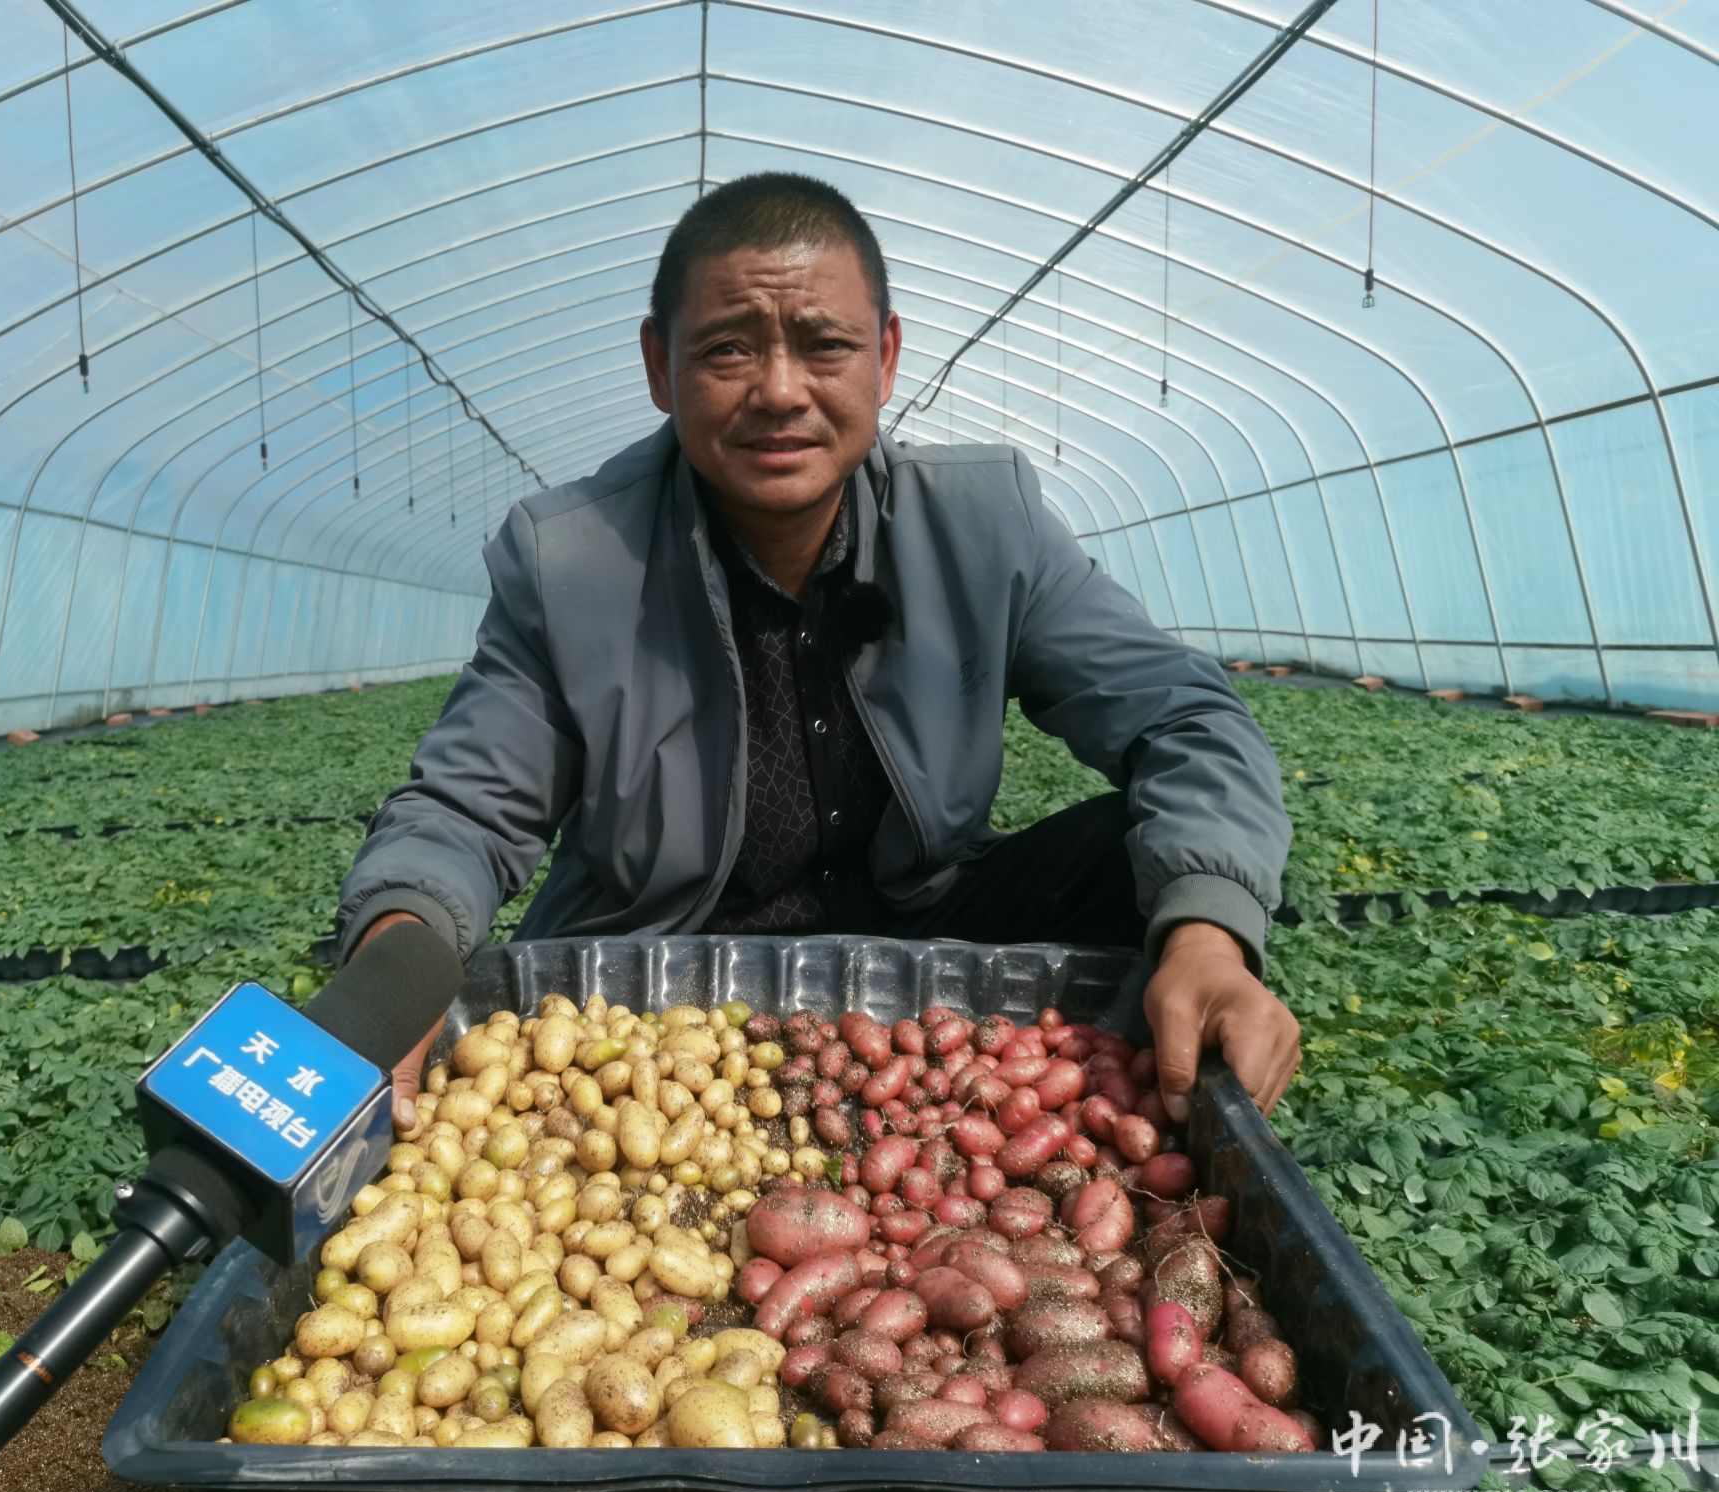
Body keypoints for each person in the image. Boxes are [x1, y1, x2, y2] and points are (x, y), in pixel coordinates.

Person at [337, 172, 1299, 1133]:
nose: (781, 391)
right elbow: (466, 808)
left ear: (884, 358)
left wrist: (1208, 939)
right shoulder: (573, 562)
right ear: (660, 367)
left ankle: (1127, 1110)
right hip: (659, 983)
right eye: (728, 349)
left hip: (917, 949)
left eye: (824, 345)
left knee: (1140, 859)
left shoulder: (982, 526)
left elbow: (1186, 717)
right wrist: (391, 972)